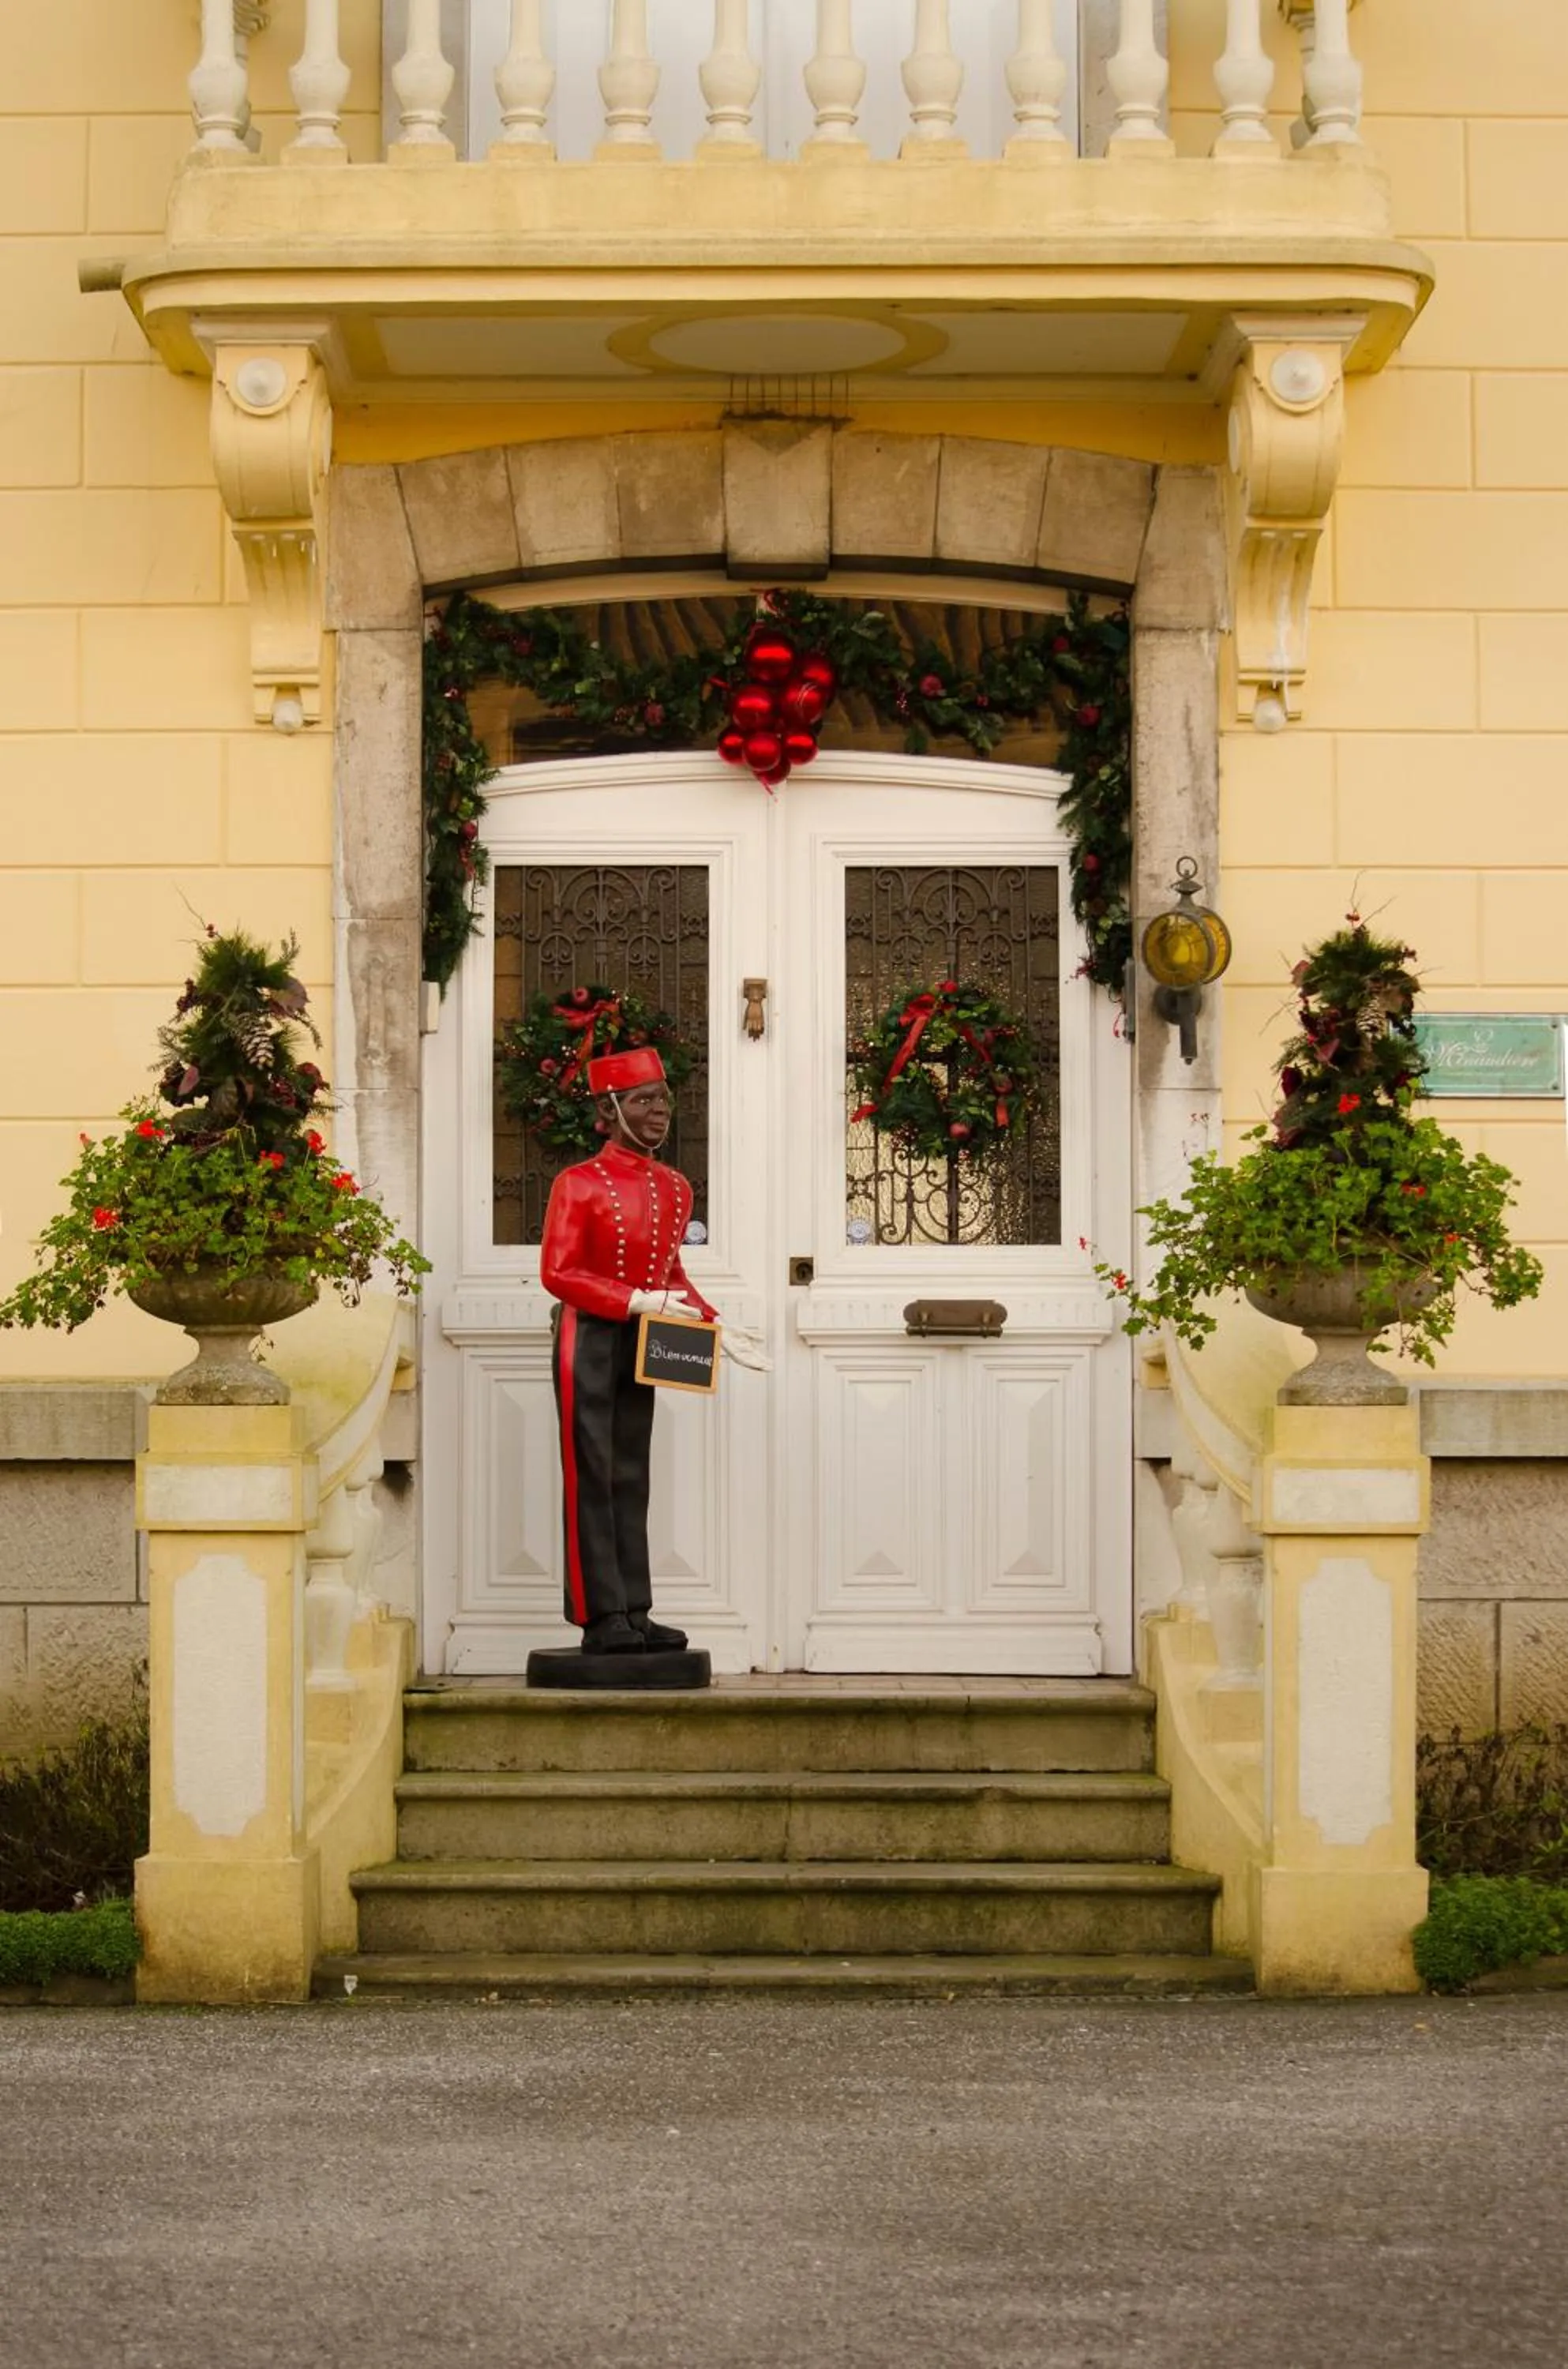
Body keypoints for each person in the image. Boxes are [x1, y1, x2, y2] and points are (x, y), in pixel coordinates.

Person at [538, 1046, 722, 1658]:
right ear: (609, 1108)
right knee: (591, 1474)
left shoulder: (674, 1186)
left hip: (641, 1336)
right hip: (587, 1336)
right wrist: (636, 1301)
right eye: (644, 1100)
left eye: (663, 1099)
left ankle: (635, 1612)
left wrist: (715, 1323)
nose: (659, 1112)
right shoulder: (578, 1184)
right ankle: (599, 1616)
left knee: (631, 1475)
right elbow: (559, 1273)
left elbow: (672, 1269)